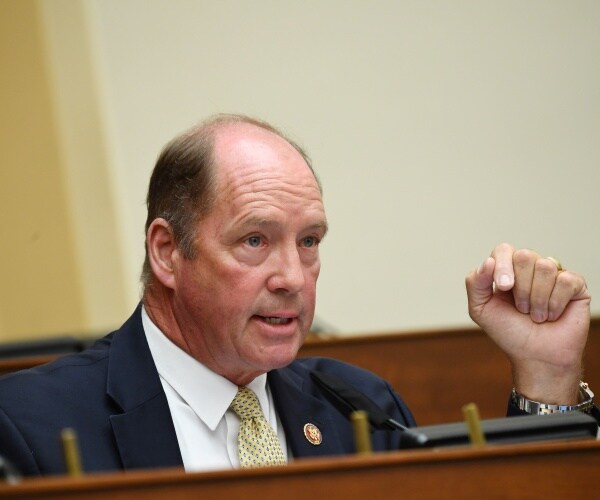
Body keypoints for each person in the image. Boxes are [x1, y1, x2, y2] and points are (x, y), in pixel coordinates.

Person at [0, 114, 596, 476]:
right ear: (167, 252)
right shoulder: (28, 426)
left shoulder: (360, 408)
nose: (292, 276)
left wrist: (546, 378)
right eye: (255, 240)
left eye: (308, 241)